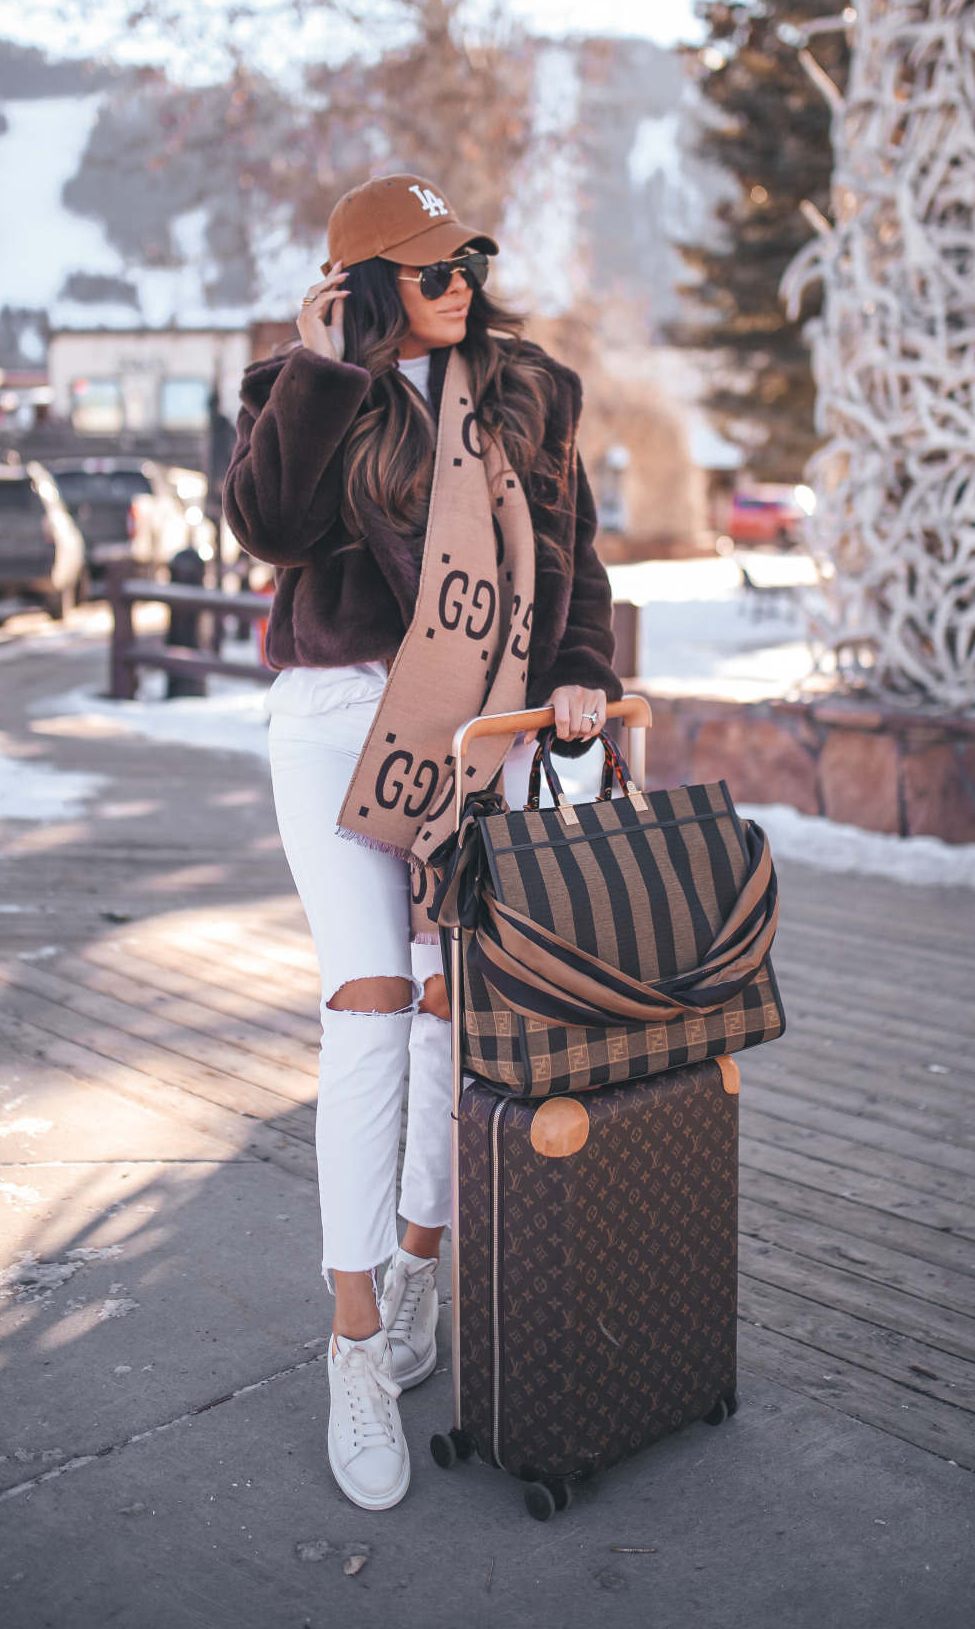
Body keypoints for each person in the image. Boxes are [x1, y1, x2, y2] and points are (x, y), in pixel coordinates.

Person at [223, 173, 619, 1511]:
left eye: (471, 262)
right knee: (372, 1008)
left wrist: (574, 680)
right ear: (368, 285)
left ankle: (416, 1277)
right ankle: (348, 1347)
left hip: (477, 740)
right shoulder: (299, 387)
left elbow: (574, 570)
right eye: (430, 271)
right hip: (337, 726)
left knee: (453, 1015)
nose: (460, 285)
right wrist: (325, 370)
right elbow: (269, 529)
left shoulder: (527, 394)